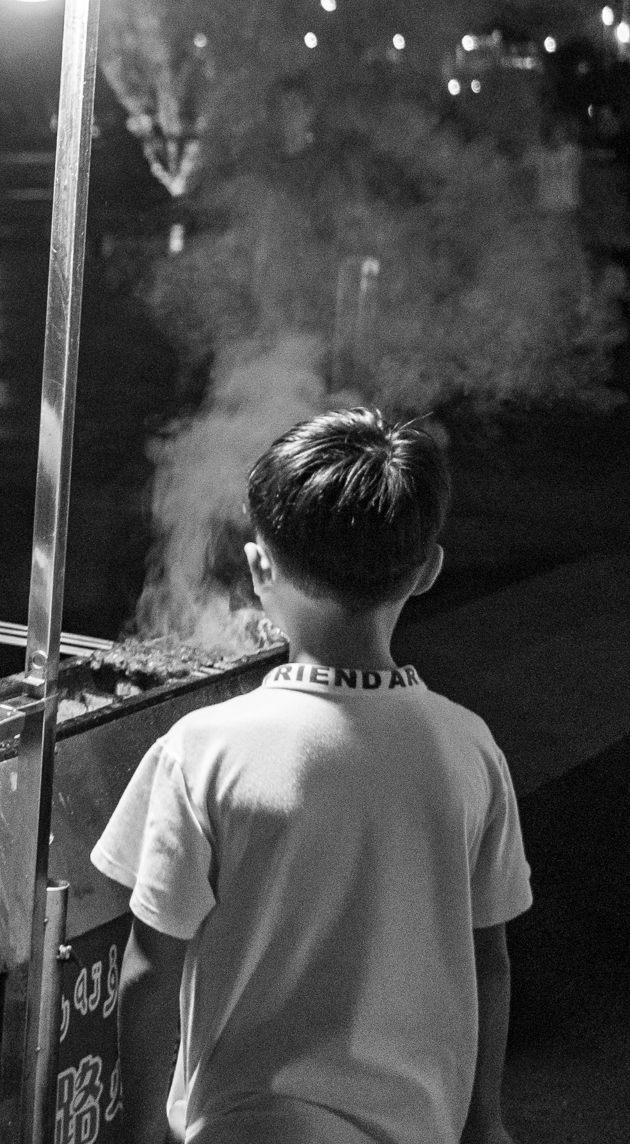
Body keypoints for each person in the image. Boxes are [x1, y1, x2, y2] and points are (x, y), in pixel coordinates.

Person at [98, 409, 531, 1144]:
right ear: (428, 570)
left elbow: (150, 969)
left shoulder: (202, 751)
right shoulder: (471, 749)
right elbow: (490, 960)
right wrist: (486, 1124)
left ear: (260, 567)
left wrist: (135, 1131)